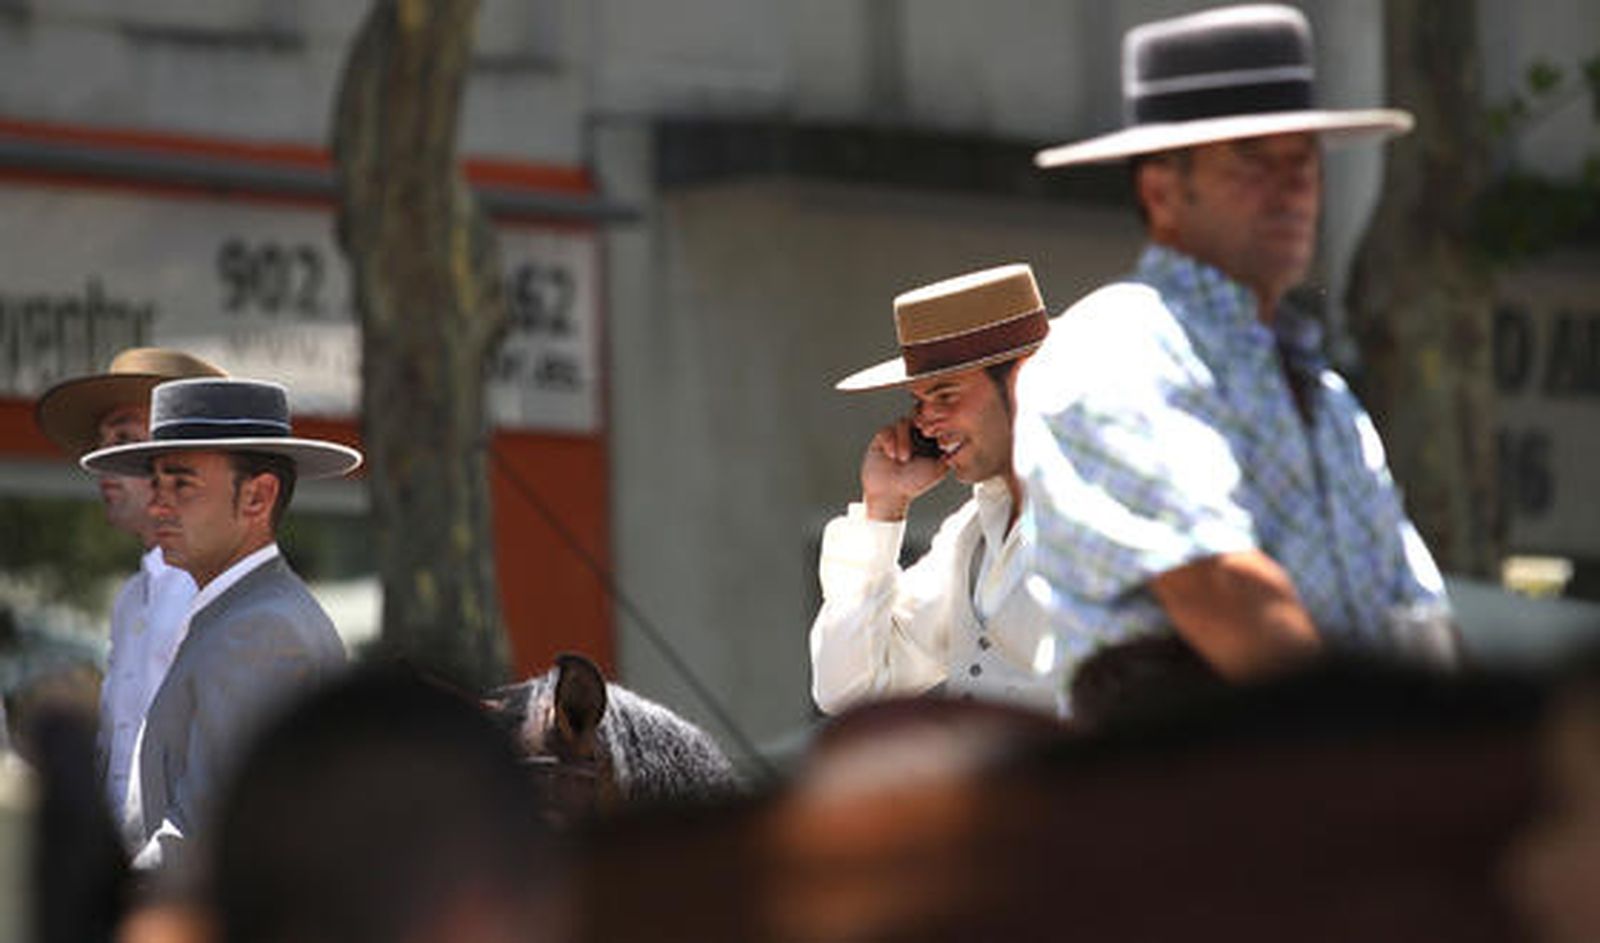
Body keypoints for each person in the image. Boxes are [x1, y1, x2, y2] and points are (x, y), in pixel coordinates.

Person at [1013, 4, 1455, 701]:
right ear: (1160, 191)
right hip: (1193, 792)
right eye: (1252, 160)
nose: (1292, 189)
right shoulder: (1114, 351)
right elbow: (1221, 591)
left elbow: (1415, 613)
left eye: (1303, 161)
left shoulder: (1321, 388)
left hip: (1345, 783)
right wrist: (1393, 757)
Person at [80, 376, 361, 872]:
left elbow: (200, 837)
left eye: (181, 484)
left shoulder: (261, 629)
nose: (157, 504)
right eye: (157, 483)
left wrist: (104, 912)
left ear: (257, 497)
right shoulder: (243, 611)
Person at [810, 263, 1069, 718]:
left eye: (946, 396)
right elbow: (850, 692)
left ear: (1023, 379)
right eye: (919, 402)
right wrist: (883, 508)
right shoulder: (970, 535)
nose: (925, 421)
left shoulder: (1103, 510)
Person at [33, 347, 227, 820]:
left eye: (125, 440)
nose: (102, 463)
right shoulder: (132, 599)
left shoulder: (219, 587)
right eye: (101, 444)